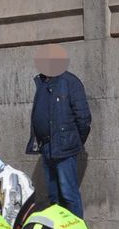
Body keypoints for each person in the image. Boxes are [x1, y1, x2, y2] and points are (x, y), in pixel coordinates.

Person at [27, 44, 92, 216]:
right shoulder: (42, 82)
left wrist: (72, 142)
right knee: (54, 196)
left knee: (69, 194)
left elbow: (84, 119)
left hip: (64, 149)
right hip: (47, 147)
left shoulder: (70, 82)